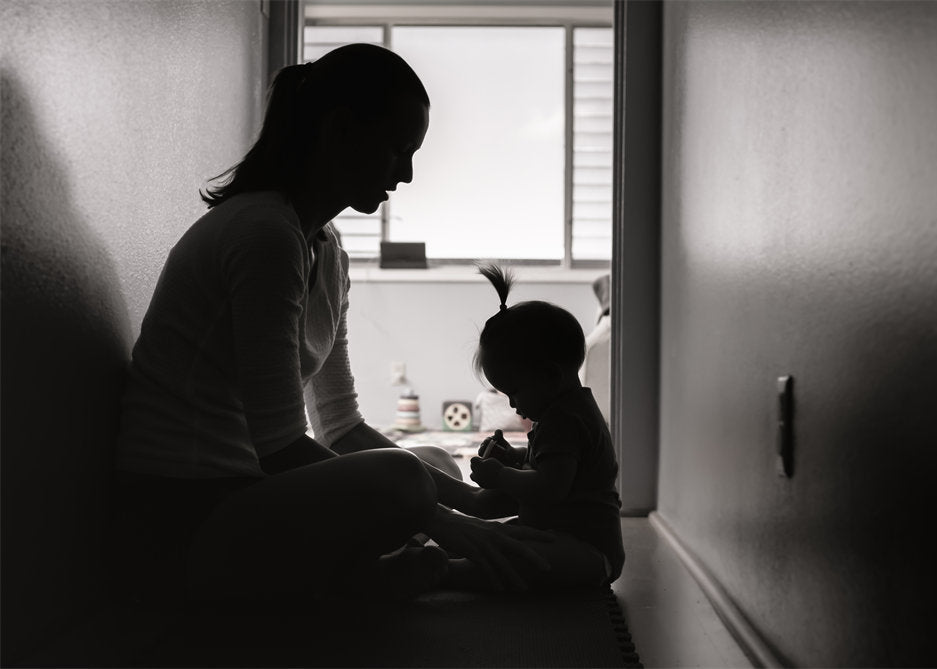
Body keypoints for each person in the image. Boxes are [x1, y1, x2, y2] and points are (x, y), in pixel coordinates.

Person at [112, 44, 552, 606]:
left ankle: (344, 582)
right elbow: (279, 446)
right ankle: (339, 585)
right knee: (406, 480)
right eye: (398, 150)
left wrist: (475, 503)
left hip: (247, 500)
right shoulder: (263, 235)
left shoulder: (325, 247)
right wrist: (453, 522)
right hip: (187, 520)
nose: (409, 173)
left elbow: (340, 425)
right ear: (341, 131)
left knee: (430, 462)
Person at [435, 264, 625, 590]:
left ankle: (445, 573)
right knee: (504, 542)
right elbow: (552, 462)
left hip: (587, 552)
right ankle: (449, 558)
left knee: (516, 561)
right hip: (551, 533)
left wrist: (500, 476)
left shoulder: (565, 419)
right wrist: (514, 457)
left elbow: (551, 487)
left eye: (514, 391)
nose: (511, 404)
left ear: (550, 376)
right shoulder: (563, 410)